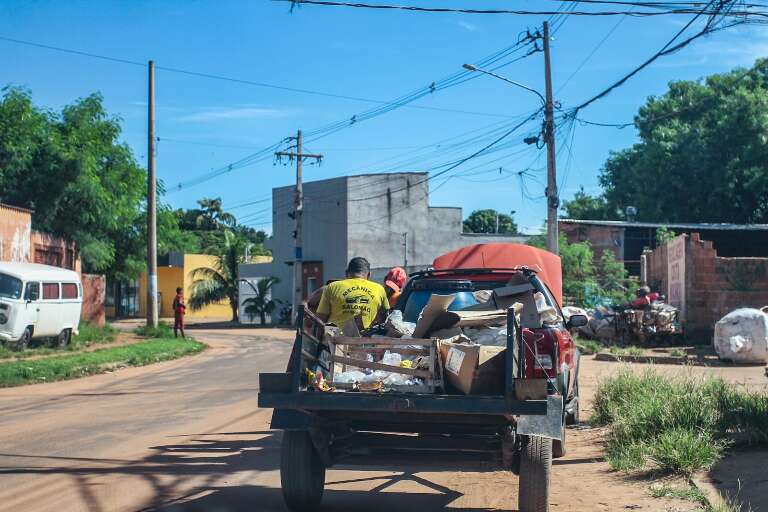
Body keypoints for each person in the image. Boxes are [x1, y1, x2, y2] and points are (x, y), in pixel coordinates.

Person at [316, 257, 389, 328]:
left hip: (335, 338)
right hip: (367, 338)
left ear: (346, 273)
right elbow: (385, 318)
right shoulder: (379, 289)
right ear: (369, 274)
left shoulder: (332, 287)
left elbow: (320, 319)